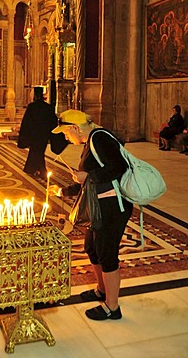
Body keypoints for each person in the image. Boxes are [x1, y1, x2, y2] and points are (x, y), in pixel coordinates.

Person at [49, 109, 133, 321]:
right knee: (92, 248)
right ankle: (102, 290)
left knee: (107, 254)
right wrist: (62, 191)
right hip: (100, 205)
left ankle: (112, 307)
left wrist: (89, 175)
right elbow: (88, 182)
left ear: (75, 128)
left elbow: (119, 167)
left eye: (66, 133)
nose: (66, 137)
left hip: (113, 207)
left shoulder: (100, 138)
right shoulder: (91, 141)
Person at [17, 87, 58, 179]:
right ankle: (34, 169)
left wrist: (24, 133)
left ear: (34, 95)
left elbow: (26, 121)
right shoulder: (48, 107)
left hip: (34, 134)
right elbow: (53, 121)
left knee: (36, 151)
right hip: (44, 134)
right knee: (38, 151)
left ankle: (40, 170)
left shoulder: (32, 106)